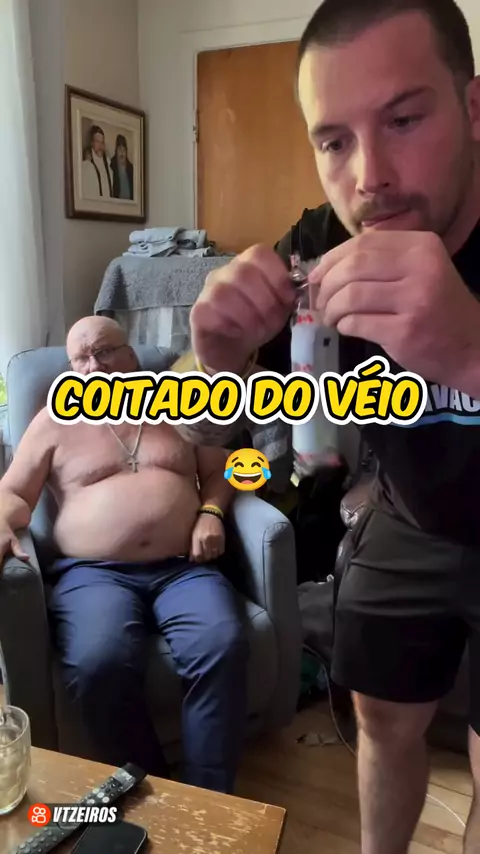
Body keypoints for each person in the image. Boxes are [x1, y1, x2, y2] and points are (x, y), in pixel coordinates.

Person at [180, 1, 480, 851]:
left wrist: (470, 350)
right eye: (334, 140)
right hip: (408, 515)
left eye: (404, 119)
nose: (369, 177)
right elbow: (202, 436)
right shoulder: (320, 244)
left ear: (473, 109)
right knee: (380, 719)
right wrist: (215, 361)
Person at [0, 316, 247, 795]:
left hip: (183, 568)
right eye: (81, 358)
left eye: (104, 351)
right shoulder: (53, 421)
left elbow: (223, 469)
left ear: (131, 354)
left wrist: (211, 512)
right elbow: (14, 492)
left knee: (223, 644)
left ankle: (209, 796)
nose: (94, 365)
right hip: (93, 575)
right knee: (98, 663)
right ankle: (152, 792)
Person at [82, 125, 113, 199]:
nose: (100, 146)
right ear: (91, 143)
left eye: (102, 142)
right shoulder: (86, 166)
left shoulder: (109, 167)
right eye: (97, 141)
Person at [110, 134, 134, 200]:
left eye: (124, 150)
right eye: (120, 149)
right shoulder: (111, 166)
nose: (122, 152)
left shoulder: (131, 168)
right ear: (116, 150)